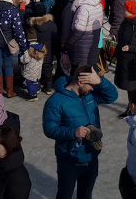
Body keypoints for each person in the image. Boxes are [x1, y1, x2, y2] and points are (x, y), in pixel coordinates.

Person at [42, 65, 119, 199]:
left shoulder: (90, 95)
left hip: (91, 155)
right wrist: (73, 132)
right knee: (65, 195)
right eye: (91, 85)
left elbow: (112, 96)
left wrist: (100, 81)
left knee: (86, 194)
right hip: (69, 159)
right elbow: (49, 129)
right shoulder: (56, 101)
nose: (93, 88)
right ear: (80, 81)